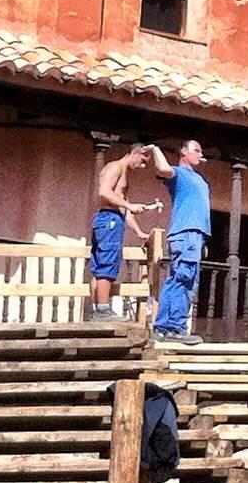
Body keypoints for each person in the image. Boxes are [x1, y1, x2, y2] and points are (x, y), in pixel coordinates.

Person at [88, 141, 162, 321]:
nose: (143, 166)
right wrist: (129, 204)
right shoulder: (115, 167)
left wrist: (138, 231)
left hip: (112, 219)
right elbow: (104, 192)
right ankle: (103, 310)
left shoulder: (124, 173)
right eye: (143, 160)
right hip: (109, 220)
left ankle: (98, 309)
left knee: (100, 266)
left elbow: (124, 208)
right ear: (135, 153)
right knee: (106, 264)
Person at [149, 139, 213, 344]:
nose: (200, 154)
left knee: (184, 280)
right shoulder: (179, 173)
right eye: (196, 150)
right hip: (185, 234)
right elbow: (162, 168)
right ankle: (172, 327)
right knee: (182, 279)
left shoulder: (199, 180)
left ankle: (167, 327)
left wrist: (202, 240)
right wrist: (155, 149)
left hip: (195, 235)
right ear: (184, 152)